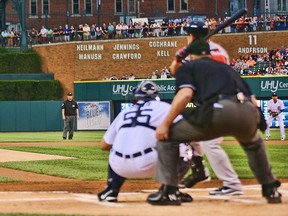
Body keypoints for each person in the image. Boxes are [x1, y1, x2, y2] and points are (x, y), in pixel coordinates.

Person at [147, 38, 282, 206]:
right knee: (254, 145)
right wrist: (259, 121)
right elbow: (252, 99)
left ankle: (169, 191)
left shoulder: (189, 67)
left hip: (217, 111)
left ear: (192, 56)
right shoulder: (227, 68)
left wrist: (166, 123)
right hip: (247, 112)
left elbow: (185, 96)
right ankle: (270, 188)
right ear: (209, 54)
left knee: (168, 137)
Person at [171, 20, 243, 196]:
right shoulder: (192, 52)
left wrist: (185, 56)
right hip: (201, 103)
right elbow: (174, 70)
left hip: (222, 101)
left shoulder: (213, 51)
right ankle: (199, 169)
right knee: (185, 120)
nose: (186, 37)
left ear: (193, 35)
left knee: (210, 143)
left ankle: (232, 184)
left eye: (188, 34)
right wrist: (179, 57)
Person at [97, 80, 192, 203]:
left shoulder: (125, 112)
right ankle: (169, 190)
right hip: (151, 164)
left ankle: (111, 190)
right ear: (156, 96)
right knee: (185, 147)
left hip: (119, 166)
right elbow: (186, 132)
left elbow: (104, 145)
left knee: (115, 148)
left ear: (137, 96)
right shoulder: (165, 107)